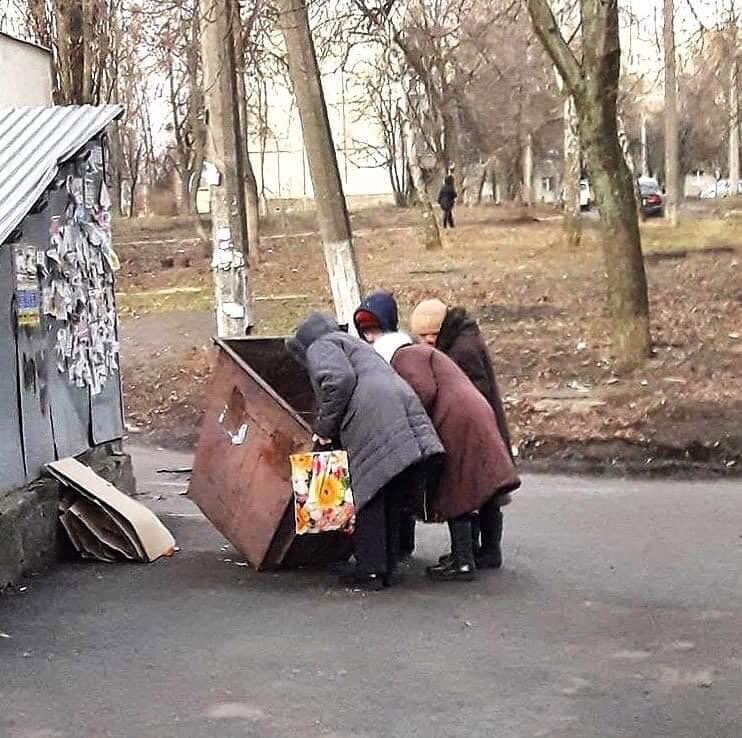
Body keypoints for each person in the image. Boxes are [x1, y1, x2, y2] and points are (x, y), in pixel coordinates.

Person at [355, 292, 520, 581]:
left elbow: (423, 391)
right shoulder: (437, 349)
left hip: (458, 425)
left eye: (432, 334)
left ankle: (464, 560)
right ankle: (477, 554)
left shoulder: (408, 357)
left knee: (458, 489)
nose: (428, 340)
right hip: (472, 421)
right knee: (479, 488)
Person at [286, 312, 443, 590]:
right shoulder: (352, 343)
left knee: (368, 493)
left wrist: (324, 427)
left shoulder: (321, 345)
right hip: (399, 407)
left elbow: (338, 380)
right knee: (390, 491)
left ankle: (370, 571)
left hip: (373, 418)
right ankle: (387, 566)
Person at [410, 298, 514, 569]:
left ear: (439, 330)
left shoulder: (461, 352)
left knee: (470, 490)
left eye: (428, 335)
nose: (425, 342)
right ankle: (484, 550)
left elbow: (469, 393)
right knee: (488, 489)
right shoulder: (464, 340)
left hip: (476, 431)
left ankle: (477, 552)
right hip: (487, 427)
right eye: (420, 337)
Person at [353, 290, 416, 559]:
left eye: (372, 329)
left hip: (387, 427)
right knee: (401, 494)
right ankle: (401, 546)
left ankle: (388, 552)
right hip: (407, 426)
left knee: (384, 494)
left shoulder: (381, 353)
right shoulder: (407, 346)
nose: (368, 336)